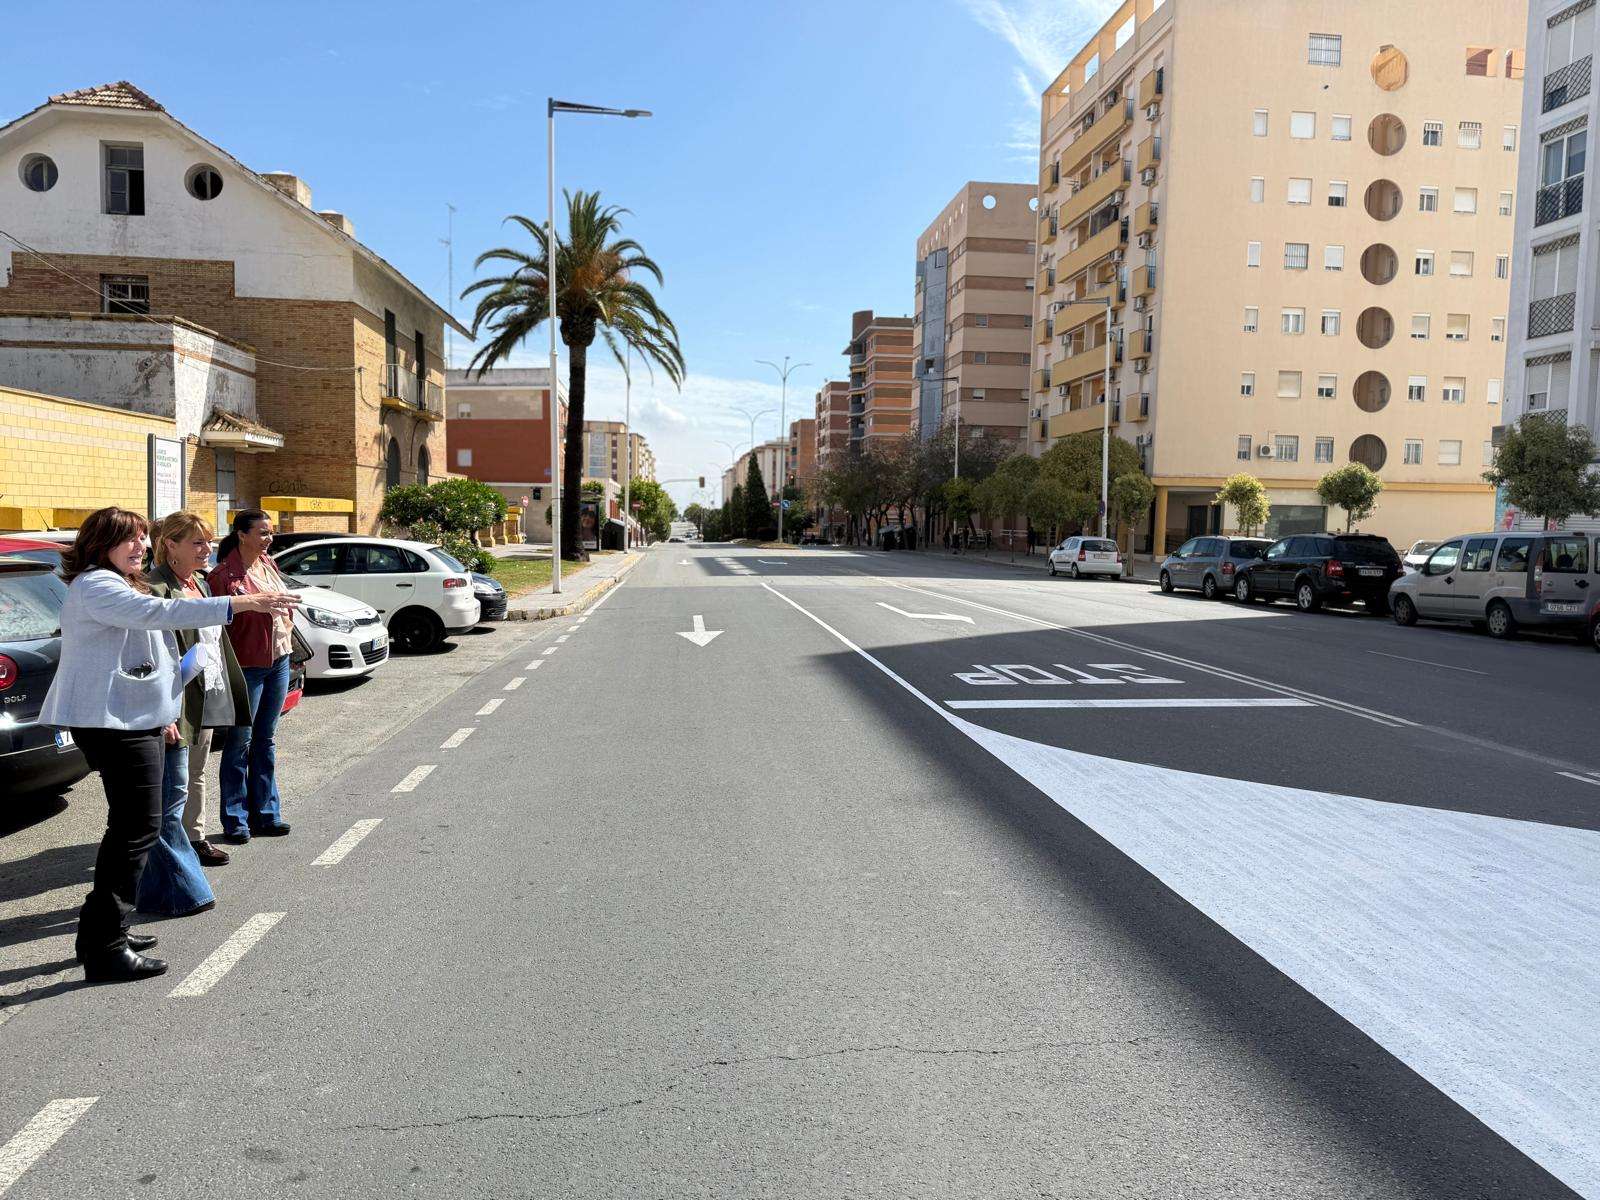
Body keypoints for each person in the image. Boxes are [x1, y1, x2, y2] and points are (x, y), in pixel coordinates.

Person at [39, 506, 298, 983]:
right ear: (101, 545)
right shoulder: (98, 585)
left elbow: (149, 648)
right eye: (130, 539)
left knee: (132, 827)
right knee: (137, 829)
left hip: (130, 718)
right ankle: (105, 947)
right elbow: (160, 612)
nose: (141, 546)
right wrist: (244, 603)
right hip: (113, 723)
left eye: (142, 538)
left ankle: (101, 932)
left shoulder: (115, 582)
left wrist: (166, 705)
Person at [139, 512, 252, 919]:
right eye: (198, 543)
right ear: (170, 545)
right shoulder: (154, 587)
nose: (207, 550)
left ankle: (193, 837)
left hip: (206, 688)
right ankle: (178, 871)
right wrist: (165, 712)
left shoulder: (198, 582)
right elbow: (154, 655)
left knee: (195, 771)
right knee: (171, 790)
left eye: (209, 542)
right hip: (176, 701)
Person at [208, 509, 298, 844]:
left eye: (270, 532)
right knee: (239, 743)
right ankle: (235, 820)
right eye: (262, 533)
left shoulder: (267, 563)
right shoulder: (223, 575)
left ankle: (267, 814)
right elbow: (217, 624)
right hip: (247, 665)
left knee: (266, 739)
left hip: (279, 658)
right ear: (242, 535)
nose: (268, 539)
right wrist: (252, 605)